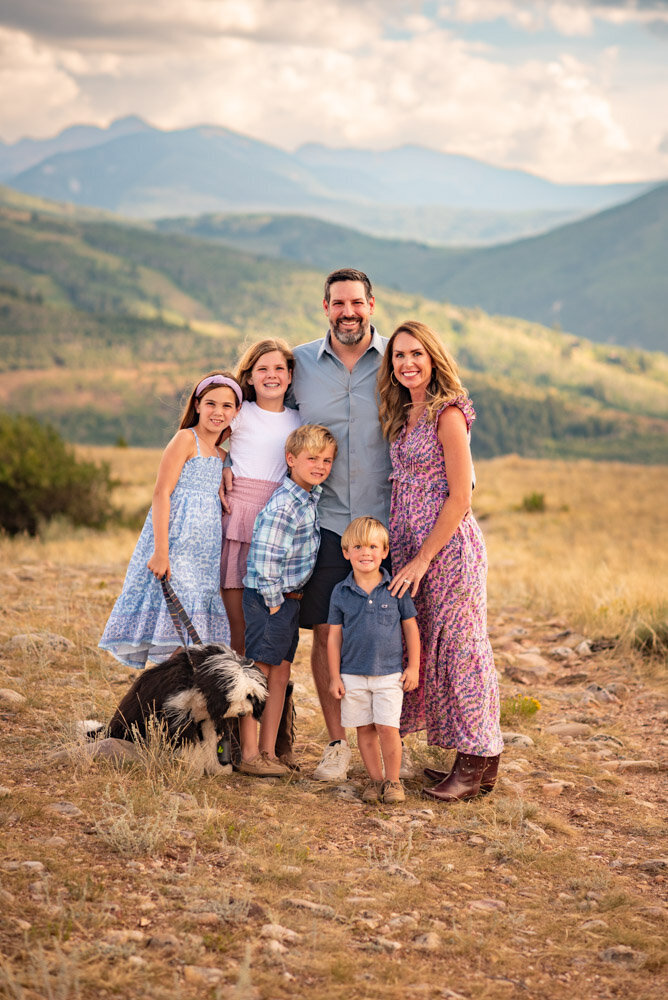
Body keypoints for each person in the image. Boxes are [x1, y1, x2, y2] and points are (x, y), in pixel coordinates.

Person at [377, 321, 503, 802]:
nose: (407, 363)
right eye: (399, 356)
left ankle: (474, 763)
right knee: (431, 647)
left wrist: (424, 559)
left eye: (416, 354)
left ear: (433, 358)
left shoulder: (447, 414)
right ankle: (477, 761)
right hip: (412, 548)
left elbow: (460, 496)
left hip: (446, 551)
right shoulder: (405, 412)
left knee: (460, 648)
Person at [291, 268, 395, 782]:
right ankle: (337, 744)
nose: (348, 312)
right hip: (326, 524)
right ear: (325, 307)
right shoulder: (300, 363)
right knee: (327, 632)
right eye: (338, 303)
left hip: (386, 524)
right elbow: (260, 416)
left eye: (357, 303)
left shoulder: (398, 360)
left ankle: (386, 745)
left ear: (371, 305)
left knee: (388, 635)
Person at [99, 371, 241, 668]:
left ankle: (172, 699)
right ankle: (153, 696)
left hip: (204, 555)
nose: (218, 412)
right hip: (175, 547)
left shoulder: (221, 454)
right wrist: (161, 551)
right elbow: (161, 493)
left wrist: (225, 469)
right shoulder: (185, 440)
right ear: (198, 405)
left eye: (227, 406)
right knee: (179, 625)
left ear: (237, 411)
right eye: (211, 403)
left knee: (194, 636)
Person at [238, 424, 337, 778]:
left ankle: (269, 751)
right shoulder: (285, 505)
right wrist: (273, 601)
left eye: (326, 460)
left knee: (280, 673)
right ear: (291, 459)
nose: (320, 465)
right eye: (312, 458)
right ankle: (249, 754)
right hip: (272, 599)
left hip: (289, 600)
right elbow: (265, 559)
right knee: (259, 673)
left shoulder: (309, 497)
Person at [327, 517, 420, 804]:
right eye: (357, 546)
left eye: (372, 546)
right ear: (346, 552)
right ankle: (375, 780)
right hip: (353, 674)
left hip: (389, 674)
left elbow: (411, 628)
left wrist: (413, 667)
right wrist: (334, 676)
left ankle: (393, 782)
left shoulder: (395, 589)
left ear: (384, 551)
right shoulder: (340, 592)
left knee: (388, 728)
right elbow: (333, 638)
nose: (365, 552)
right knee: (364, 729)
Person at [220, 339, 301, 654]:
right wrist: (221, 466)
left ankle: (270, 695)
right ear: (249, 377)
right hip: (240, 515)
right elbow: (207, 441)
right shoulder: (240, 414)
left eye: (279, 368)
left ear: (290, 376)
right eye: (262, 368)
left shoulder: (297, 419)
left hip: (278, 520)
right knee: (237, 624)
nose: (272, 375)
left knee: (268, 624)